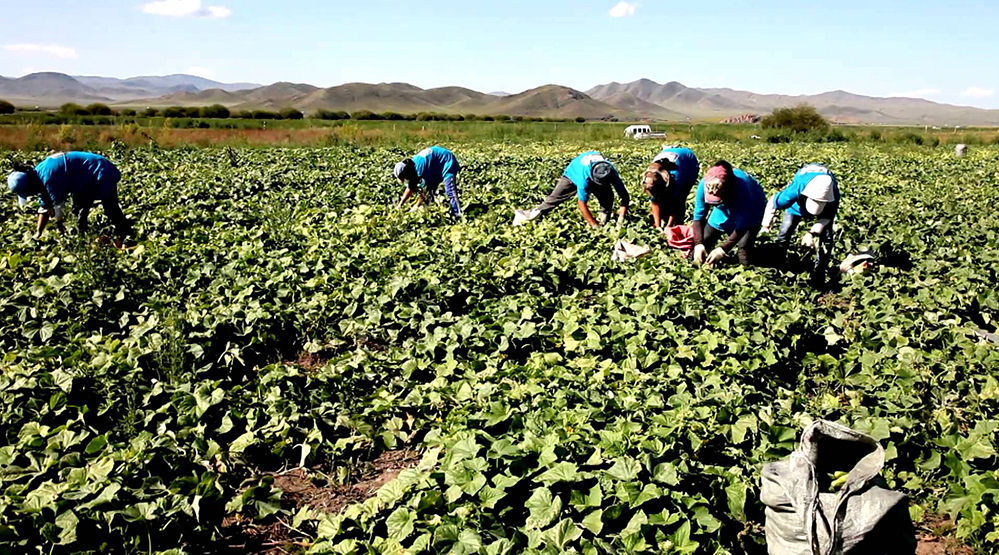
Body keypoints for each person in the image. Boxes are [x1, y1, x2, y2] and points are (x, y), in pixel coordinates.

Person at [7, 151, 132, 240]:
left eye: (28, 193)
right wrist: (38, 232)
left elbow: (58, 208)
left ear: (30, 185)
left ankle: (127, 234)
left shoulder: (49, 178)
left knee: (110, 207)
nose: (30, 195)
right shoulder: (38, 175)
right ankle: (82, 235)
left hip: (100, 171)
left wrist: (60, 227)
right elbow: (44, 203)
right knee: (78, 210)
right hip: (83, 178)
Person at [760, 163, 840, 285]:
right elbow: (773, 202)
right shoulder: (798, 187)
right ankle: (778, 264)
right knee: (784, 232)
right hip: (796, 206)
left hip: (824, 206)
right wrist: (766, 226)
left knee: (826, 239)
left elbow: (827, 217)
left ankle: (819, 274)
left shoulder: (832, 194)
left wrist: (812, 234)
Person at [691, 161, 766, 267]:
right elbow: (698, 216)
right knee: (706, 239)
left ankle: (747, 273)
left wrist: (722, 249)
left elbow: (742, 227)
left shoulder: (745, 192)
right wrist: (698, 244)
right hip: (723, 208)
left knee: (744, 247)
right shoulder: (706, 184)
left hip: (753, 205)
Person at [530, 151, 630, 227]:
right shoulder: (584, 178)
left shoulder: (611, 172)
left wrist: (621, 217)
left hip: (594, 170)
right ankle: (534, 215)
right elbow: (582, 203)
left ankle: (603, 219)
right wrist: (593, 224)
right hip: (572, 174)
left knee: (607, 196)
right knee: (555, 198)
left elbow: (624, 196)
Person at [394, 146, 462, 217]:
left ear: (406, 172)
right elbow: (410, 187)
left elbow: (425, 192)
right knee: (431, 192)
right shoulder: (411, 168)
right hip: (435, 166)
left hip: (446, 160)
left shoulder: (420, 169)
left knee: (449, 190)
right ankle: (430, 211)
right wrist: (400, 204)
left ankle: (458, 215)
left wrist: (416, 206)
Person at [642, 146, 699, 229]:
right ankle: (661, 219)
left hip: (688, 162)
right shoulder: (650, 174)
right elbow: (654, 201)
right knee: (661, 199)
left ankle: (679, 223)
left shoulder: (676, 176)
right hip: (669, 153)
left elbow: (677, 203)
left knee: (680, 197)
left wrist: (669, 226)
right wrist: (657, 226)